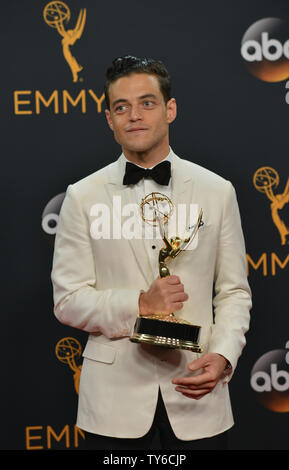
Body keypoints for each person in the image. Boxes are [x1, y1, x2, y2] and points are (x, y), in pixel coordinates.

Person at [51, 55, 252, 450]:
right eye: (121, 107)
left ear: (170, 109)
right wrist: (140, 303)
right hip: (113, 404)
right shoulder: (82, 196)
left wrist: (224, 356)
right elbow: (68, 300)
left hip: (198, 395)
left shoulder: (217, 191)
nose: (134, 116)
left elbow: (234, 292)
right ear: (109, 119)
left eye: (147, 102)